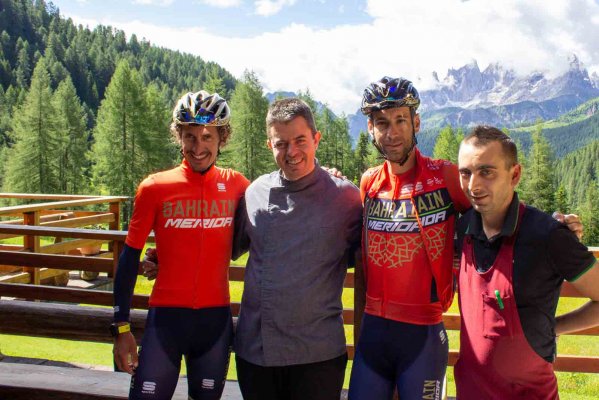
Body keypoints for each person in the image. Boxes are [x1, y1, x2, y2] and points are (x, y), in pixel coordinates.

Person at [111, 90, 250, 399]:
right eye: (189, 137)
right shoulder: (154, 187)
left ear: (221, 138)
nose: (198, 147)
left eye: (206, 137)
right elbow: (130, 258)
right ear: (179, 136)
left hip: (215, 323)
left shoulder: (239, 186)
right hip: (166, 322)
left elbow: (280, 202)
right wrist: (121, 329)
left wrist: (328, 176)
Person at [348, 77, 471, 400]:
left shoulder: (445, 176)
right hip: (373, 331)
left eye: (401, 120)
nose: (392, 132)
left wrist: (550, 223)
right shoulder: (369, 183)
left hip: (424, 334)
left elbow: (494, 208)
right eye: (381, 123)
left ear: (416, 122)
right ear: (371, 130)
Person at [454, 125, 599, 399]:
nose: (473, 185)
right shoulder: (462, 229)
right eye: (466, 173)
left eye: (486, 172)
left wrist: (555, 327)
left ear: (515, 174)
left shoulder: (548, 236)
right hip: (469, 392)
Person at [232, 97, 363, 400]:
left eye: (300, 140)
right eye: (281, 144)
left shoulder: (345, 198)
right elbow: (218, 246)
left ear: (316, 139)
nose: (291, 152)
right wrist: (166, 257)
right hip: (257, 353)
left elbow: (377, 252)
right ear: (270, 145)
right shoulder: (254, 193)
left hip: (318, 355)